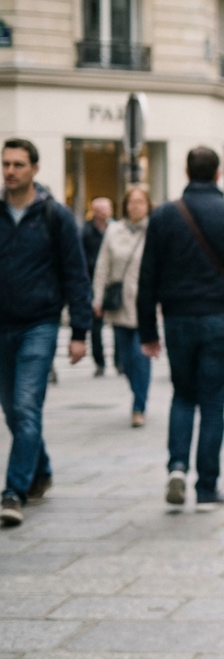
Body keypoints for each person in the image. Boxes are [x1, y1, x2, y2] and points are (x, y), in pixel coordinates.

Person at [137, 147, 224, 510]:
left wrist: (147, 330)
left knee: (183, 394)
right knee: (212, 402)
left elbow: (147, 275)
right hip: (219, 319)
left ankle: (177, 466)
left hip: (177, 317)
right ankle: (207, 487)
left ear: (186, 171)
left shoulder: (165, 215)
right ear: (217, 174)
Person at [0, 139, 91, 527]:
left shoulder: (56, 216)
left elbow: (75, 273)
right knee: (14, 412)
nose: (10, 171)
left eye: (18, 164)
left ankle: (13, 492)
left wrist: (80, 331)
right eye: (5, 164)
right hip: (2, 324)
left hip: (40, 322)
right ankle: (42, 471)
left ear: (34, 169)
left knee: (25, 406)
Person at [92, 185, 153, 427]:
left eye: (141, 202)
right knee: (125, 361)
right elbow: (102, 267)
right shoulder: (113, 230)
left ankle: (139, 406)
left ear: (148, 205)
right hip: (119, 305)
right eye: (132, 202)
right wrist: (97, 299)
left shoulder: (155, 231)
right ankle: (137, 391)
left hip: (144, 304)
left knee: (141, 356)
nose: (136, 206)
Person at [81, 196, 114, 377]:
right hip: (92, 281)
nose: (102, 212)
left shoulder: (116, 229)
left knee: (119, 323)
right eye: (99, 208)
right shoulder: (86, 231)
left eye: (105, 208)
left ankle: (119, 361)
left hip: (114, 283)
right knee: (96, 325)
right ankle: (100, 362)